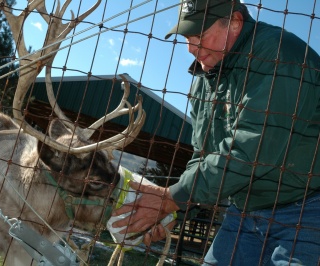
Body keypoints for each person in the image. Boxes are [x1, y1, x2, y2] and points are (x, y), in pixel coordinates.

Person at [112, 0, 320, 265]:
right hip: (244, 210)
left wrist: (171, 199)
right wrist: (168, 211)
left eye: (199, 35)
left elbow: (250, 152)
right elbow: (202, 154)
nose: (190, 48)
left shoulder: (280, 55)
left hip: (308, 209)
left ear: (234, 22)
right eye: (187, 37)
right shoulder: (204, 80)